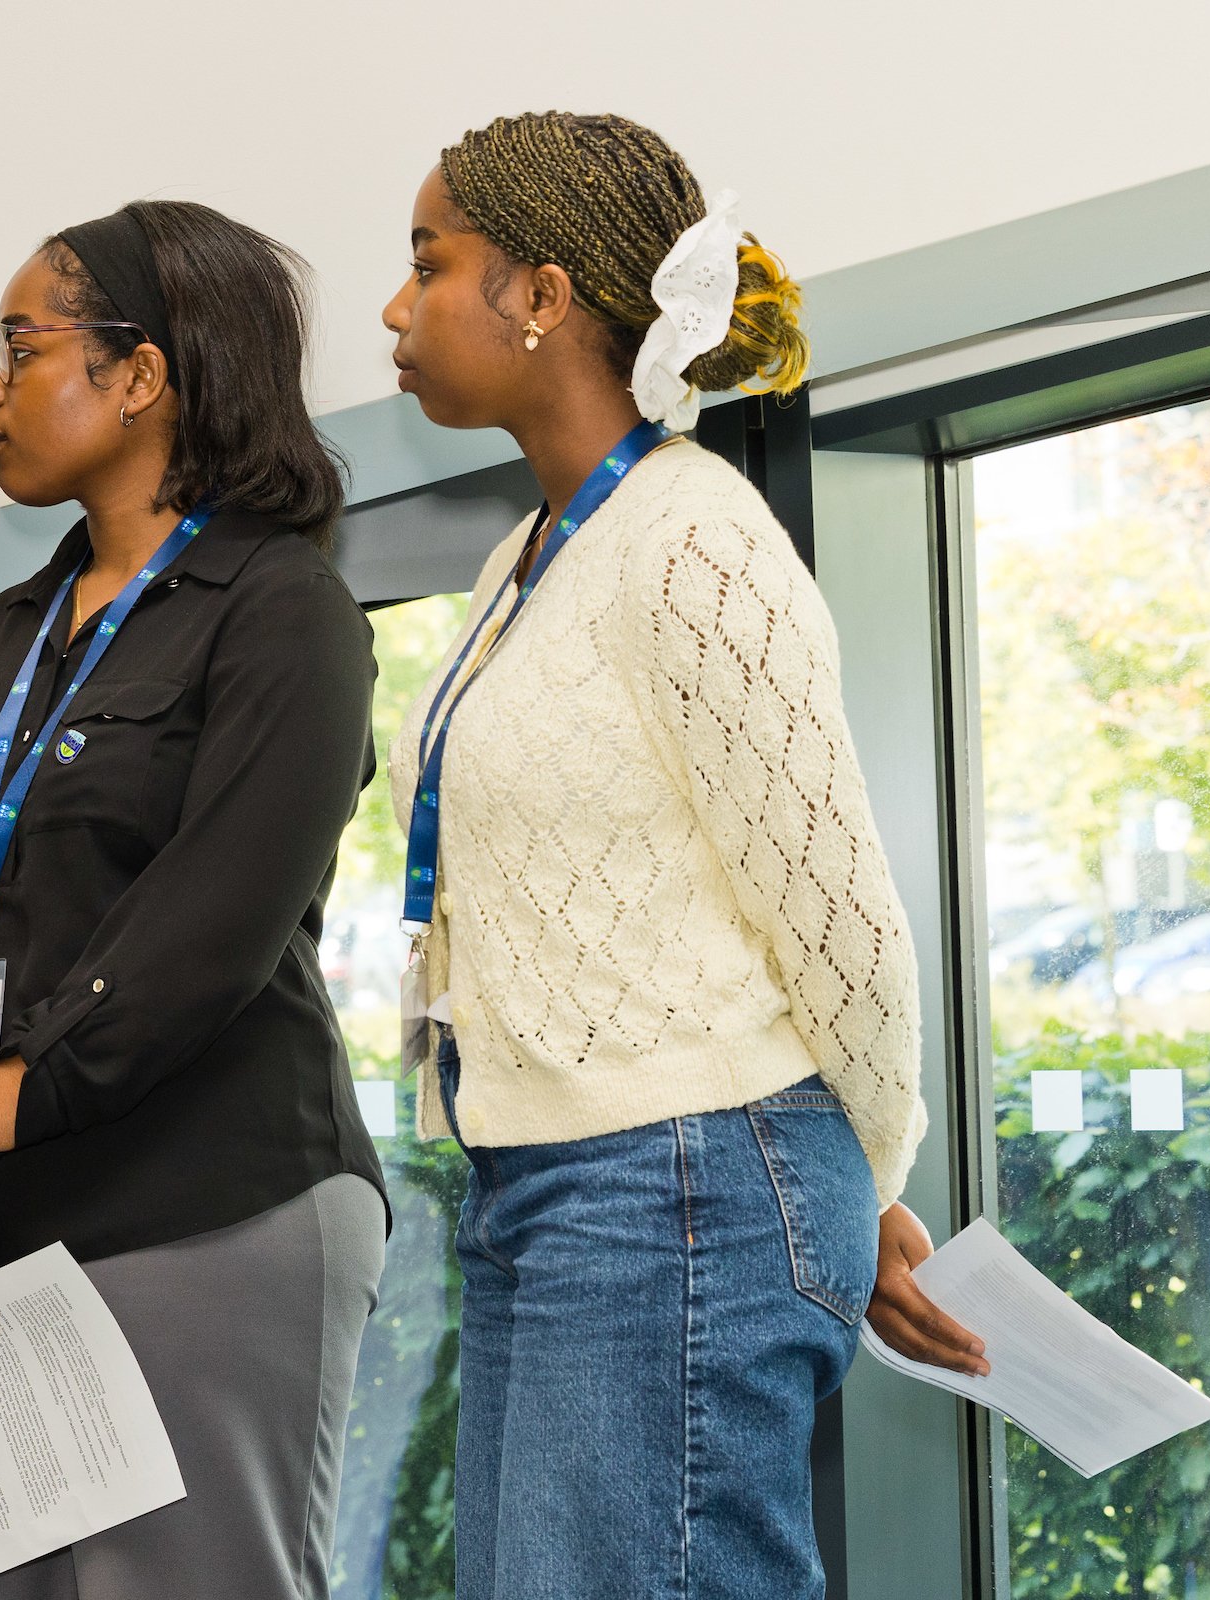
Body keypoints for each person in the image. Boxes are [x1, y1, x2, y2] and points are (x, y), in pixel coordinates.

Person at [379, 111, 984, 1597]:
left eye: (427, 264)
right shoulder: (529, 563)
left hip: (678, 1182)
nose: (395, 310)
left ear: (543, 297)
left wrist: (862, 1179)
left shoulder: (692, 541)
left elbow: (837, 909)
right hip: (555, 1182)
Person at [0, 200, 388, 1600]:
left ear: (142, 376)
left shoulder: (281, 610)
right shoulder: (6, 633)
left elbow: (205, 942)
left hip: (205, 1204)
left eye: (19, 347)